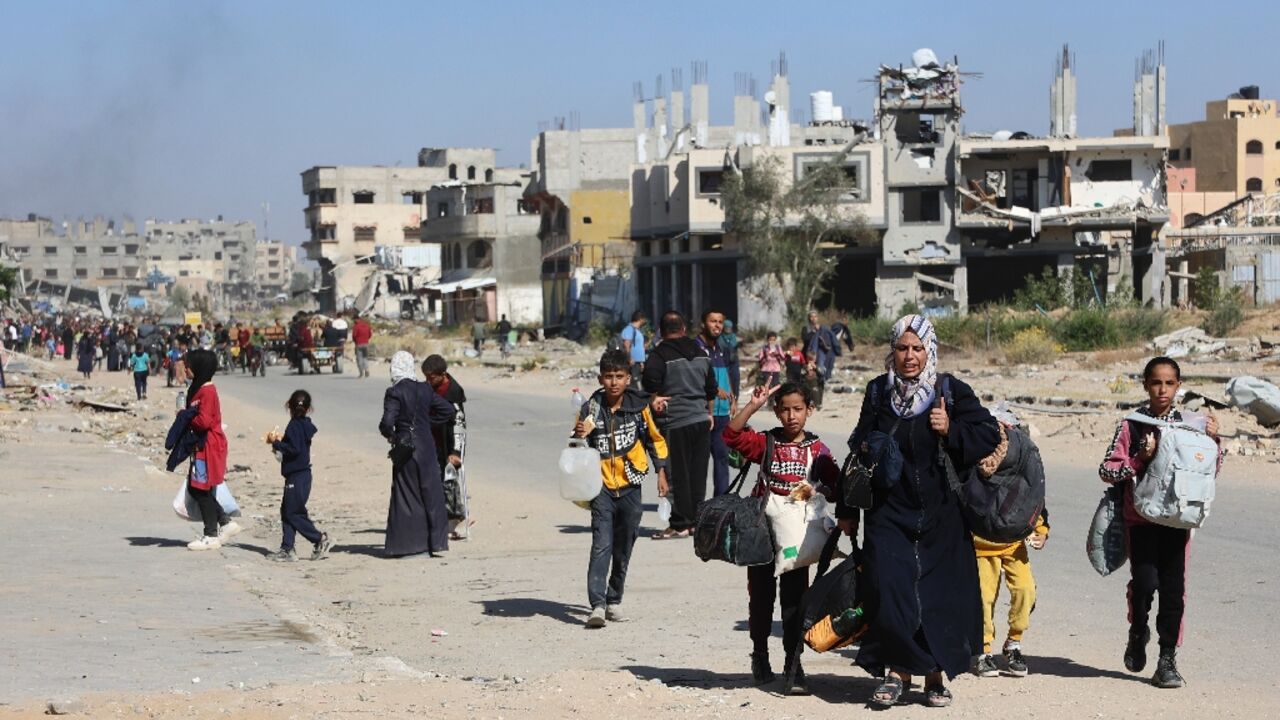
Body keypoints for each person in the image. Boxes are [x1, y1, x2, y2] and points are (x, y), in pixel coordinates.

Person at [837, 314, 1000, 707]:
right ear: (892, 351)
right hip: (888, 511)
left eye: (917, 349)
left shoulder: (951, 392)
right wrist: (848, 509)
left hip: (941, 514)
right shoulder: (878, 393)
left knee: (937, 596)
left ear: (930, 351)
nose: (909, 356)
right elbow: (858, 449)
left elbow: (989, 435)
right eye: (902, 348)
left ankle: (934, 676)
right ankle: (896, 672)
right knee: (891, 589)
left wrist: (951, 430)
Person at [1099, 356, 1221, 689]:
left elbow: (1208, 471)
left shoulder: (1191, 424)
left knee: (1174, 592)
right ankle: (1138, 630)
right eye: (1156, 382)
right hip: (1140, 520)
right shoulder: (1132, 424)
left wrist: (1214, 442)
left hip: (1179, 522)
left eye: (1169, 383)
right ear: (1145, 384)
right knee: (1144, 584)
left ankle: (1167, 660)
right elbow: (1108, 470)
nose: (1162, 389)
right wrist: (1141, 459)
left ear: (1178, 386)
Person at [724, 380, 839, 694]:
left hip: (796, 538)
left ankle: (793, 661)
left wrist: (817, 490)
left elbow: (836, 484)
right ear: (776, 412)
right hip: (761, 533)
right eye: (785, 409)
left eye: (798, 409)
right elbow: (730, 435)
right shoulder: (766, 444)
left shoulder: (817, 449)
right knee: (760, 598)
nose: (791, 416)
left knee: (795, 600)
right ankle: (760, 655)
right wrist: (752, 406)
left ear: (809, 411)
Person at [573, 349, 669, 628]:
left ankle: (614, 599)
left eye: (619, 377)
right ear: (600, 378)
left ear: (629, 378)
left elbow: (655, 439)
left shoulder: (639, 407)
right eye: (608, 377)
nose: (613, 382)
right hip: (600, 488)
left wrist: (661, 472)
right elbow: (575, 441)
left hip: (631, 485)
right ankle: (598, 605)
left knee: (624, 545)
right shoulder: (591, 408)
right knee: (601, 545)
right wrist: (579, 434)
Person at [972, 416, 1050, 677]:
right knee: (983, 599)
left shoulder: (1021, 464)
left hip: (1014, 544)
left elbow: (1033, 499)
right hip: (980, 547)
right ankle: (983, 650)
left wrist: (1041, 531)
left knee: (1026, 591)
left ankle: (1013, 643)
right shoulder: (972, 464)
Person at [641, 311, 717, 539]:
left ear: (661, 332)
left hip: (675, 422)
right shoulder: (701, 353)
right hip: (701, 420)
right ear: (684, 328)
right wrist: (709, 413)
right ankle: (696, 522)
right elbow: (711, 388)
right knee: (698, 474)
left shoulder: (658, 355)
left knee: (677, 474)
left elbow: (649, 383)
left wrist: (654, 398)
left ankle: (680, 524)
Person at [378, 351, 457, 557]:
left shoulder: (394, 392)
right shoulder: (425, 389)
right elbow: (448, 411)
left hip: (406, 449)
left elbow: (387, 422)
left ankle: (408, 546)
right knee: (432, 494)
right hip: (427, 447)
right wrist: (425, 425)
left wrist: (393, 435)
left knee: (406, 495)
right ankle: (438, 545)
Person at [265, 390, 333, 562]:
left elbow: (294, 449)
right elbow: (297, 445)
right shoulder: (304, 424)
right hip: (302, 475)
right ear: (309, 408)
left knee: (293, 513)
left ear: (289, 406)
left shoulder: (294, 425)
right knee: (287, 511)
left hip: (297, 476)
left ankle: (319, 539)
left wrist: (277, 443)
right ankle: (287, 548)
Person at [183, 349, 241, 550]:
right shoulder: (198, 389)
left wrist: (186, 417)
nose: (186, 369)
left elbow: (204, 420)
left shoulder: (207, 391)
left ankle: (211, 534)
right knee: (196, 487)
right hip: (201, 446)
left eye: (188, 365)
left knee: (201, 489)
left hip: (208, 446)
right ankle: (225, 523)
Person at [422, 354, 470, 540]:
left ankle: (456, 520)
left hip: (449, 443)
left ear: (442, 374)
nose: (428, 380)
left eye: (431, 377)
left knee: (449, 481)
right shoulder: (428, 388)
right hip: (432, 441)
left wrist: (456, 452)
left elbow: (459, 423)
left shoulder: (454, 392)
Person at [696, 309, 735, 497]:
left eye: (720, 321)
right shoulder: (696, 347)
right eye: (713, 321)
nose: (717, 325)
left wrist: (733, 397)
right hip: (702, 414)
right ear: (704, 323)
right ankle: (696, 507)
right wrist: (712, 389)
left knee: (722, 460)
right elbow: (694, 377)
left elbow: (726, 374)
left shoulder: (719, 348)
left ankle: (720, 504)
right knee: (698, 464)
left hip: (722, 414)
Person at [620, 310, 647, 386]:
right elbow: (626, 344)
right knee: (633, 384)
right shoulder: (629, 329)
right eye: (644, 319)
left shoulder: (637, 331)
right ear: (640, 319)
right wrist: (630, 358)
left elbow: (639, 347)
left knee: (638, 382)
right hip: (632, 363)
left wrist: (641, 362)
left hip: (637, 363)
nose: (645, 321)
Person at [720, 318, 742, 397]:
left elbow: (735, 346)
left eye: (729, 328)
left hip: (733, 362)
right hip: (723, 362)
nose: (728, 329)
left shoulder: (734, 337)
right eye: (726, 327)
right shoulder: (720, 338)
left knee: (735, 380)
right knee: (725, 381)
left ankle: (735, 399)